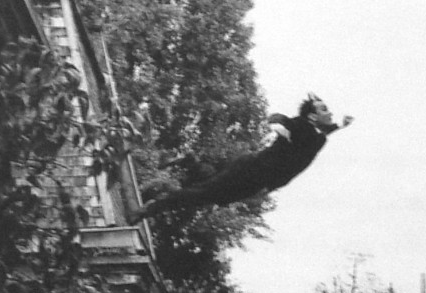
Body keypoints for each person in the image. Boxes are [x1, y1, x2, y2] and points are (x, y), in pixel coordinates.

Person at [127, 94, 354, 224]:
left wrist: (340, 125)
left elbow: (320, 134)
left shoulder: (318, 138)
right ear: (312, 116)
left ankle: (190, 162)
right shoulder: (301, 126)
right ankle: (149, 209)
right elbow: (281, 121)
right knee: (203, 194)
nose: (330, 113)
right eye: (325, 110)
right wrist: (280, 126)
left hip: (256, 180)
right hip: (250, 171)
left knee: (215, 193)